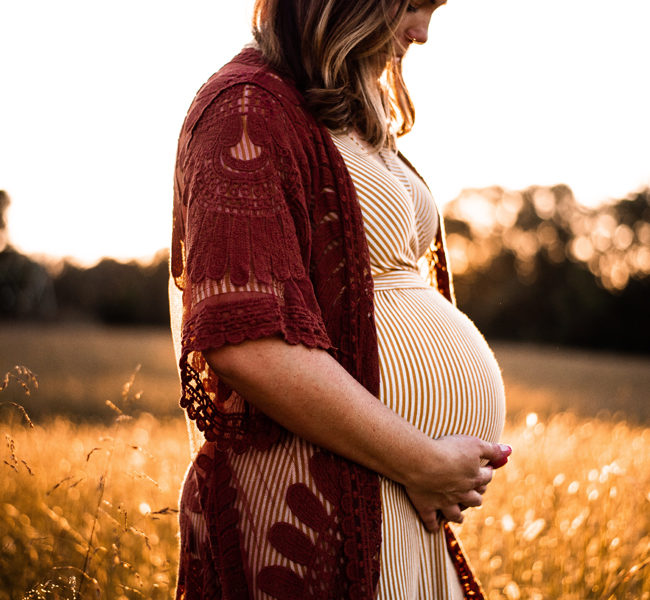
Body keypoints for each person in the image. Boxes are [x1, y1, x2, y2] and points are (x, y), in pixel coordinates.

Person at [169, 0, 511, 598]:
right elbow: (247, 341)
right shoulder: (245, 108)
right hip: (313, 499)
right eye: (412, 5)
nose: (424, 34)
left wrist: (423, 463)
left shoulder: (349, 112)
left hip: (393, 493)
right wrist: (421, 461)